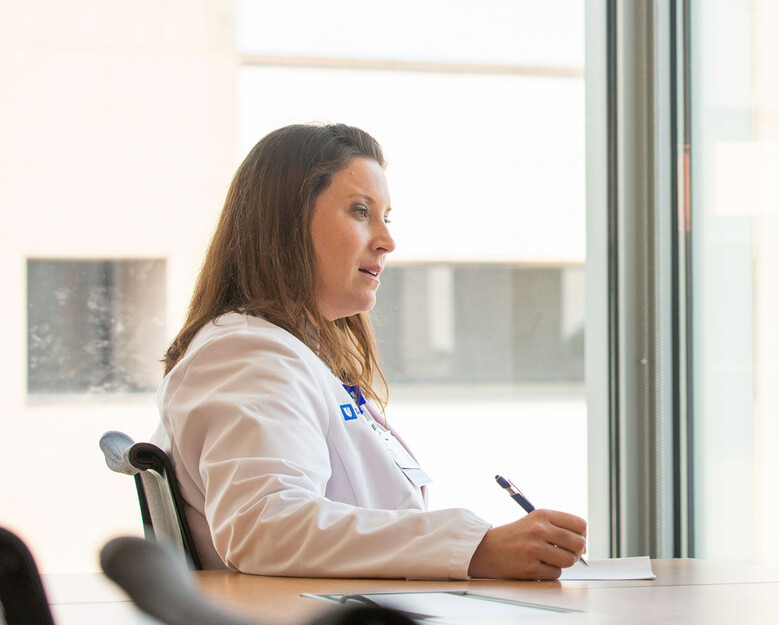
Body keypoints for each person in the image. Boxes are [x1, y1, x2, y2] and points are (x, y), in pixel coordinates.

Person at [152, 123, 586, 580]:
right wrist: (474, 548)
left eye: (386, 217)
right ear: (286, 222)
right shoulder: (246, 354)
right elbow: (265, 527)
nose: (386, 240)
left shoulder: (286, 351)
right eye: (360, 211)